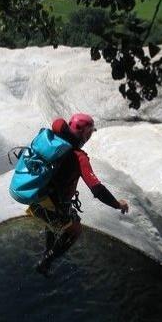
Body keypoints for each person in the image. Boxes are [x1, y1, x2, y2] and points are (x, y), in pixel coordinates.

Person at [26, 113, 129, 276]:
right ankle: (45, 262)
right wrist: (117, 204)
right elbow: (97, 189)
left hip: (37, 199)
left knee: (57, 221)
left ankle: (47, 252)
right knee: (75, 230)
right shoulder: (79, 157)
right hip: (55, 205)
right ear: (86, 135)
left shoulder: (52, 144)